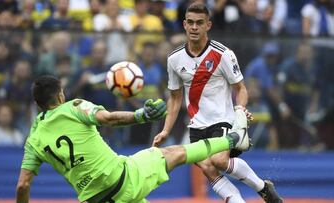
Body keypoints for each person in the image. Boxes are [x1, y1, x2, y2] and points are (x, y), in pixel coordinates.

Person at [16, 75, 250, 203]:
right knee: (174, 153)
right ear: (60, 95)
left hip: (94, 200)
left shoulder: (33, 141)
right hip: (122, 177)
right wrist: (141, 115)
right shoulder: (73, 107)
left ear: (38, 105)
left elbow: (23, 185)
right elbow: (108, 118)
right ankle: (232, 140)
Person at [152, 3, 282, 203]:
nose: (195, 27)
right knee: (207, 167)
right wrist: (166, 130)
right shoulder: (174, 59)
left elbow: (241, 88)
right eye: (191, 23)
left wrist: (240, 110)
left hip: (223, 119)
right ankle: (250, 194)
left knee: (219, 161)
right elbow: (176, 97)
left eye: (200, 23)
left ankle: (261, 187)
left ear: (208, 25)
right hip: (196, 124)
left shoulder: (223, 54)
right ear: (184, 25)